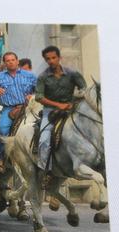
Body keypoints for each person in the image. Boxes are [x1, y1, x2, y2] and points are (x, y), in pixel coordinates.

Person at [35, 45, 87, 186]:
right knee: (44, 140)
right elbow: (38, 97)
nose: (51, 61)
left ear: (59, 58)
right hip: (50, 112)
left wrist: (74, 101)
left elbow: (84, 88)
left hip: (71, 110)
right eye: (48, 59)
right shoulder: (43, 77)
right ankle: (45, 171)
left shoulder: (72, 74)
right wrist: (58, 105)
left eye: (53, 58)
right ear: (45, 60)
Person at [0, 52, 37, 173]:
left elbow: (41, 90)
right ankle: (1, 160)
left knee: (44, 125)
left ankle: (43, 156)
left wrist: (33, 96)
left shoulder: (29, 75)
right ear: (4, 63)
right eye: (8, 60)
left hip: (29, 107)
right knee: (2, 130)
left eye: (13, 60)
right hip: (9, 108)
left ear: (17, 61)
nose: (11, 62)